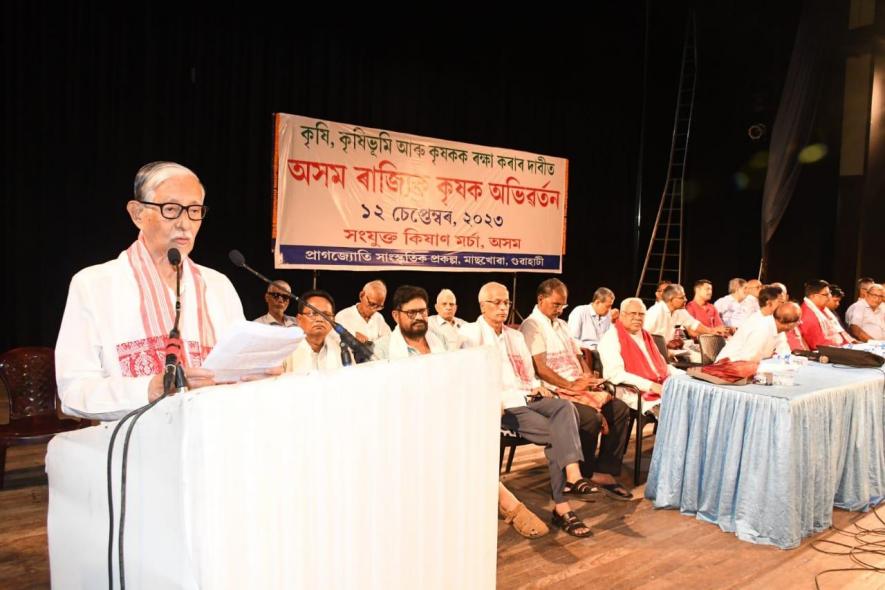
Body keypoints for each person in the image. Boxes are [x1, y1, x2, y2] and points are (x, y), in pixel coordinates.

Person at [55, 161, 250, 421]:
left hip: (213, 435)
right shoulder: (94, 285)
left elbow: (237, 373)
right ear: (137, 214)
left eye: (194, 210)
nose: (185, 223)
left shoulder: (219, 286)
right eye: (171, 209)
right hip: (133, 440)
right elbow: (74, 392)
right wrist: (148, 389)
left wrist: (255, 373)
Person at [461, 282, 596, 536]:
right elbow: (469, 378)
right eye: (496, 302)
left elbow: (528, 372)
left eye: (506, 302)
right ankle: (562, 507)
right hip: (503, 405)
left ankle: (573, 474)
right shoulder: (470, 335)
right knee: (558, 434)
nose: (503, 307)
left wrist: (536, 386)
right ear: (482, 306)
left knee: (565, 407)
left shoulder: (515, 336)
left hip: (526, 395)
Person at [519, 279, 632, 501]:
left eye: (563, 305)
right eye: (556, 304)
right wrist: (571, 385)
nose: (560, 309)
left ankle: (604, 469)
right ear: (541, 300)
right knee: (589, 417)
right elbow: (540, 369)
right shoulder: (531, 325)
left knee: (619, 409)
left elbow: (579, 357)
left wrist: (589, 379)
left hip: (576, 385)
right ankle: (582, 474)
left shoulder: (561, 325)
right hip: (555, 390)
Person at [597, 298, 684, 414]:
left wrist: (685, 376)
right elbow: (615, 375)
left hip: (660, 387)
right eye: (633, 313)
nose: (638, 318)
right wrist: (651, 385)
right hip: (632, 392)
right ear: (622, 315)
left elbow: (660, 367)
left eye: (641, 314)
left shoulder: (645, 335)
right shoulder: (611, 338)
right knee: (677, 411)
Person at [716, 291, 797, 362]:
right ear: (769, 303)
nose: (782, 306)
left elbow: (784, 353)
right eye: (781, 302)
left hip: (750, 366)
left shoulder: (776, 326)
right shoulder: (759, 324)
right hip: (729, 365)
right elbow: (748, 359)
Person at [373, 285, 446, 359]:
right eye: (411, 313)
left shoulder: (440, 339)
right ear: (396, 316)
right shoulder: (381, 350)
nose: (419, 317)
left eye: (422, 311)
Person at [645, 284, 727, 349]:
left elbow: (694, 324)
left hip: (668, 350)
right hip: (653, 351)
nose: (686, 299)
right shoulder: (656, 312)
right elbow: (643, 336)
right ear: (671, 299)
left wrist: (711, 331)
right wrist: (665, 346)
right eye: (682, 297)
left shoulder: (679, 311)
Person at [283, 290, 342, 372]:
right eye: (313, 314)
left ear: (333, 320)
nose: (320, 319)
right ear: (299, 319)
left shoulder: (341, 349)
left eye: (326, 315)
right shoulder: (285, 351)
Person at [334, 280, 392, 350]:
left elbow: (389, 340)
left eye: (379, 306)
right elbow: (333, 341)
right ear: (361, 295)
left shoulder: (379, 318)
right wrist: (352, 336)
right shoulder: (343, 316)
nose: (374, 310)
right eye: (372, 304)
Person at [800, 280, 849, 350]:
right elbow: (819, 345)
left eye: (830, 293)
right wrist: (844, 349)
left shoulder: (823, 309)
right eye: (826, 294)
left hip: (840, 347)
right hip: (828, 352)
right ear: (813, 296)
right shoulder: (807, 315)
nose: (829, 297)